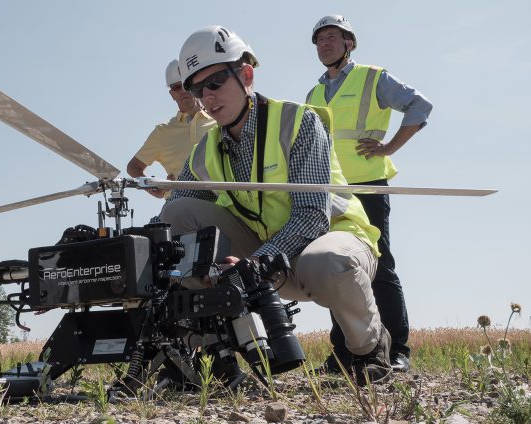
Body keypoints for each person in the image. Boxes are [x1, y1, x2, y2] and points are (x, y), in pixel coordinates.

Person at [157, 25, 391, 386]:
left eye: (216, 81)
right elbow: (173, 219)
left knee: (326, 262)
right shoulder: (204, 150)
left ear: (246, 75)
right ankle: (208, 353)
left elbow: (313, 216)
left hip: (329, 241)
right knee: (176, 215)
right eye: (197, 89)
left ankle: (368, 349)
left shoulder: (297, 122)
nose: (207, 97)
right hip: (262, 256)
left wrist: (255, 264)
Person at [306, 15, 433, 373]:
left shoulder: (373, 77)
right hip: (331, 191)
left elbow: (420, 106)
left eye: (332, 37)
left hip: (367, 185)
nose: (325, 44)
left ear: (349, 43)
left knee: (380, 267)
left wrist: (390, 146)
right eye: (319, 40)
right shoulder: (313, 94)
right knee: (334, 267)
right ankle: (345, 354)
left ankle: (397, 351)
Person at [127, 59, 216, 198]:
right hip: (181, 203)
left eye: (185, 84)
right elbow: (133, 167)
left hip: (220, 199)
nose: (182, 91)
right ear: (172, 95)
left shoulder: (219, 119)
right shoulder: (162, 132)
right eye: (176, 87)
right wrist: (153, 188)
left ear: (194, 85)